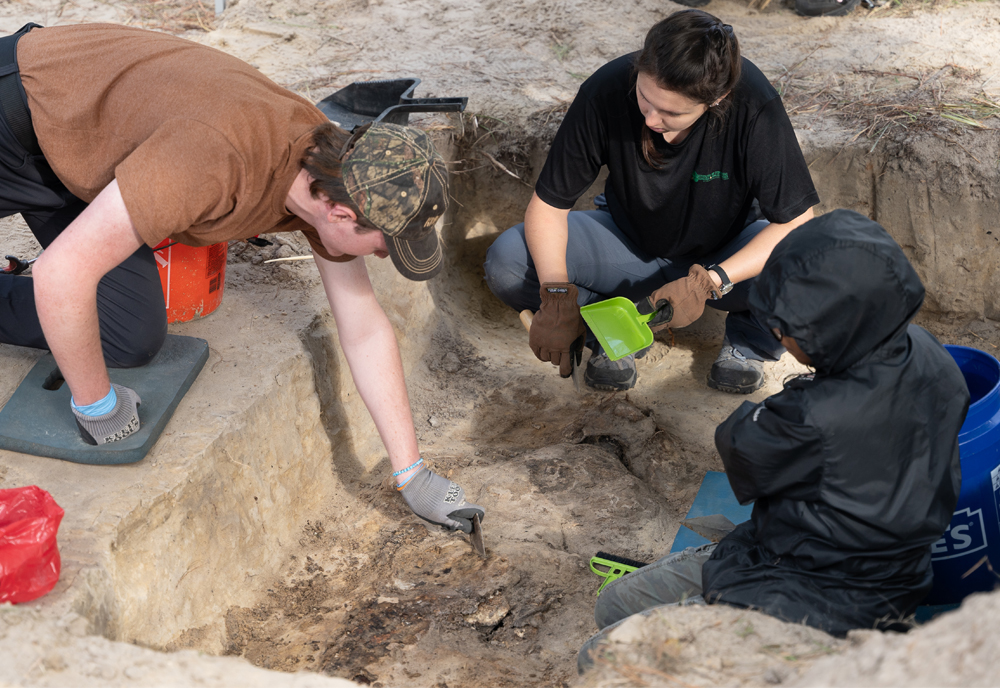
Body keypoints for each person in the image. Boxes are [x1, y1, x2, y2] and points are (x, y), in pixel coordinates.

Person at [0, 22, 484, 534]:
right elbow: (61, 275)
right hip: (21, 115)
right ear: (342, 216)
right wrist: (97, 408)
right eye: (385, 244)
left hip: (82, 151)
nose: (384, 256)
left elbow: (363, 326)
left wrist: (412, 474)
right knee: (71, 284)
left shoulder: (329, 171)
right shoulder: (213, 161)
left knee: (129, 334)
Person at [577, 210, 970, 672]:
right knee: (614, 606)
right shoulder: (927, 351)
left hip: (810, 604)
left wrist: (800, 396)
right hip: (867, 566)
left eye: (788, 326)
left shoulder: (812, 415)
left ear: (838, 330)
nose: (779, 334)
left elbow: (739, 446)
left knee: (598, 659)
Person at [485, 9, 819, 394]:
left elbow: (797, 222)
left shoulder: (753, 103)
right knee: (508, 262)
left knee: (813, 263)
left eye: (672, 113)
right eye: (645, 99)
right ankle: (612, 332)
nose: (651, 120)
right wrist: (557, 297)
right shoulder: (606, 90)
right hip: (628, 246)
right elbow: (548, 207)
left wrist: (709, 282)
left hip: (725, 253)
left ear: (717, 98)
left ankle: (749, 343)